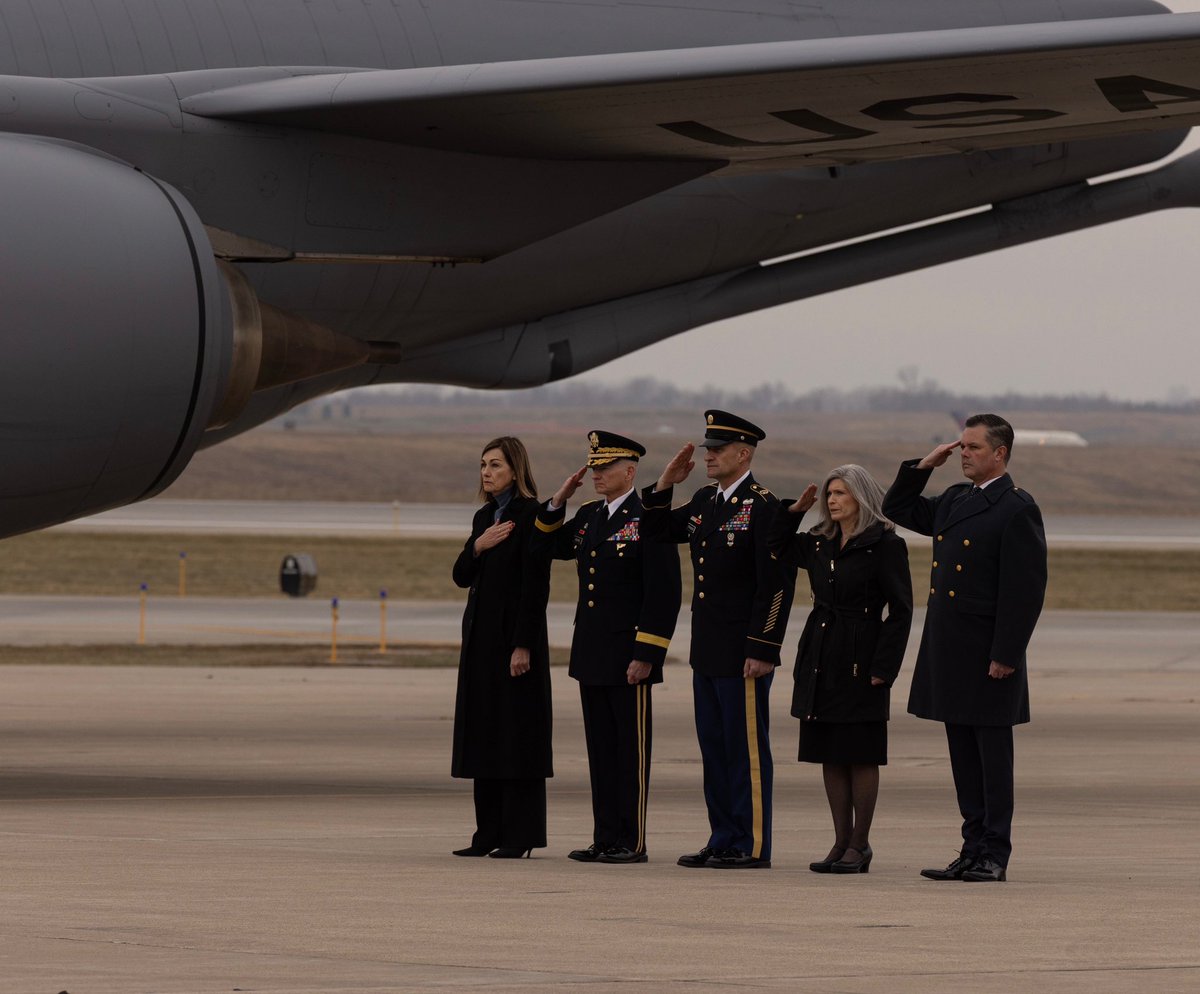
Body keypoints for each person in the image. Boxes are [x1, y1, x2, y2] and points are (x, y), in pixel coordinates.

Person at [883, 413, 1046, 883]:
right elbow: (898, 508)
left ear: (1000, 454)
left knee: (992, 759)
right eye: (961, 446)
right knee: (962, 757)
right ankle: (971, 847)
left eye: (973, 447)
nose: (964, 454)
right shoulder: (954, 499)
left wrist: (1007, 654)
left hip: (988, 653)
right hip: (951, 649)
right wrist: (923, 467)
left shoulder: (1016, 508)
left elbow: (1025, 590)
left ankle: (994, 853)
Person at [641, 410, 795, 869]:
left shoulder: (764, 505)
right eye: (708, 449)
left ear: (743, 454)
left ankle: (750, 844)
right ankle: (722, 837)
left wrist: (763, 648)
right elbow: (658, 532)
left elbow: (776, 584)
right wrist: (664, 486)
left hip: (743, 650)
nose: (708, 456)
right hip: (707, 648)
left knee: (744, 750)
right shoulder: (707, 501)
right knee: (713, 745)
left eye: (717, 450)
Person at [534, 431, 682, 864]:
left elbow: (664, 593)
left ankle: (631, 841)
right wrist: (557, 502)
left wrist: (647, 654)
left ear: (629, 471)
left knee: (629, 751)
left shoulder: (647, 516)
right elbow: (544, 546)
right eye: (594, 468)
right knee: (600, 750)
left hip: (629, 654)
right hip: (592, 651)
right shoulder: (588, 515)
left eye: (605, 469)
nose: (596, 475)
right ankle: (604, 836)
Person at [766, 465, 912, 874]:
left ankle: (861, 845)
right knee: (829, 750)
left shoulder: (885, 544)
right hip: (821, 654)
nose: (832, 501)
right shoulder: (819, 541)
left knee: (860, 752)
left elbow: (901, 611)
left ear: (861, 498)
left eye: (841, 494)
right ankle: (840, 841)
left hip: (862, 654)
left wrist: (884, 667)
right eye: (830, 494)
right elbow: (775, 544)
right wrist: (794, 511)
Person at [450, 436, 553, 859]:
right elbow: (460, 574)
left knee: (517, 736)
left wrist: (523, 644)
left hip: (514, 643)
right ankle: (487, 833)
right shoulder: (484, 517)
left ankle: (519, 835)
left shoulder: (531, 515)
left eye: (495, 465)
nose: (486, 473)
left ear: (516, 469)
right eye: (482, 465)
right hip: (481, 643)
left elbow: (535, 586)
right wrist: (480, 544)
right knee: (485, 733)